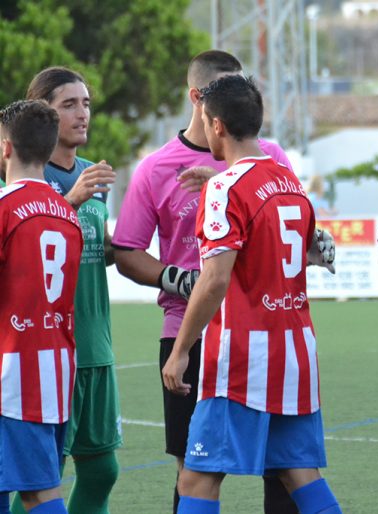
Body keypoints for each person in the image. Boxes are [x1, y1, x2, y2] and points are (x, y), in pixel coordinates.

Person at [112, 50, 317, 513]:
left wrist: (221, 181)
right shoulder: (155, 168)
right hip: (218, 328)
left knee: (223, 474)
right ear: (198, 99)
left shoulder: (265, 162)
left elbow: (233, 267)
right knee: (211, 466)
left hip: (244, 332)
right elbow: (126, 252)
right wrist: (178, 279)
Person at [161, 74, 342, 514]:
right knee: (298, 470)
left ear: (217, 125)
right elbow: (304, 253)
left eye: (205, 122)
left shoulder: (222, 188)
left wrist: (181, 349)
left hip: (244, 355)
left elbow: (215, 278)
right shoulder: (288, 183)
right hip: (295, 349)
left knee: (197, 476)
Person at [13, 68, 121, 514]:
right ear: (44, 114)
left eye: (87, 103)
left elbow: (95, 251)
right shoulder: (24, 185)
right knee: (40, 478)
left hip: (97, 345)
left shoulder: (91, 178)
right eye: (69, 105)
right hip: (50, 351)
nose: (83, 114)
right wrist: (68, 201)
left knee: (101, 471)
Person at [0, 100, 83, 514]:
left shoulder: (5, 208)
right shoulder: (67, 214)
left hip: (14, 374)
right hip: (55, 369)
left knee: (38, 492)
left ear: (6, 148)